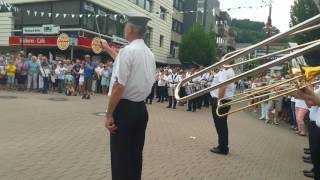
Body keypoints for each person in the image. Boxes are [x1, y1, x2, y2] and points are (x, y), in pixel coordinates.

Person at [101, 11, 156, 180]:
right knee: (134, 157)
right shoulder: (149, 53)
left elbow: (119, 86)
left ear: (131, 29)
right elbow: (125, 63)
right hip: (140, 109)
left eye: (126, 26)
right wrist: (108, 49)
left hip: (124, 110)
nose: (124, 29)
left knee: (120, 159)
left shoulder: (128, 51)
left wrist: (109, 114)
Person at [293, 86, 320, 180]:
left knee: (317, 156)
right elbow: (310, 104)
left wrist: (308, 92)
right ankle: (316, 172)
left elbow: (315, 101)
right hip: (315, 123)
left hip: (317, 126)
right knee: (315, 156)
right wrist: (302, 95)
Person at [210, 66, 236, 155]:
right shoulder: (230, 71)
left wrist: (218, 102)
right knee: (222, 124)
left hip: (220, 100)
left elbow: (222, 86)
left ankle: (223, 147)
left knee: (220, 124)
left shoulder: (225, 71)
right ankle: (222, 146)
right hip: (224, 100)